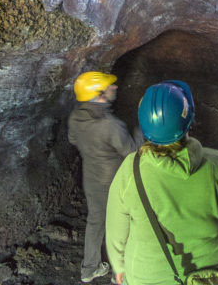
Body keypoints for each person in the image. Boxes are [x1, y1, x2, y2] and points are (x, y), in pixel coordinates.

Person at [106, 80, 218, 285]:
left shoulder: (131, 169)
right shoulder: (216, 165)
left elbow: (116, 230)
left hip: (145, 278)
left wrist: (119, 267)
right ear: (189, 119)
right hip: (209, 278)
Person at [68, 71, 140, 283]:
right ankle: (122, 274)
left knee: (96, 222)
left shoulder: (75, 118)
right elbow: (131, 151)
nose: (115, 87)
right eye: (110, 86)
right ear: (99, 95)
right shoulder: (110, 124)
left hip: (91, 179)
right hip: (115, 181)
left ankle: (89, 269)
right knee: (124, 225)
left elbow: (73, 139)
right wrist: (140, 129)